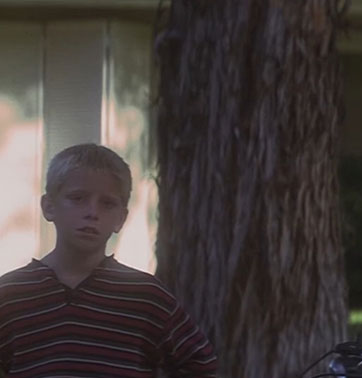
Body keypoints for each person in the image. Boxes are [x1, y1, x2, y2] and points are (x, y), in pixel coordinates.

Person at [0, 143, 218, 377]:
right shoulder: (11, 294)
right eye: (78, 198)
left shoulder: (147, 297)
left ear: (121, 219)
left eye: (107, 203)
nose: (92, 212)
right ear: (49, 206)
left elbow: (201, 365)